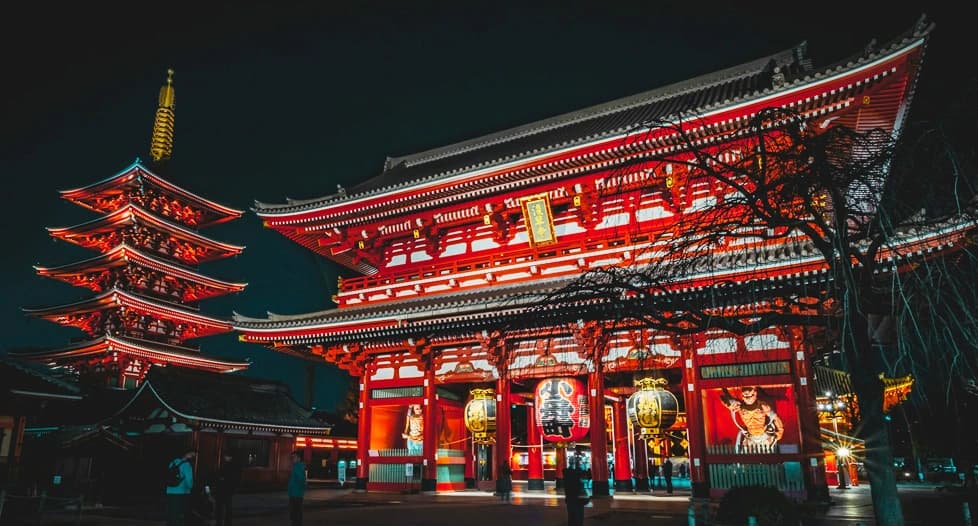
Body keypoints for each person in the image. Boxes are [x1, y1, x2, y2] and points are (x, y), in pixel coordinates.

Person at [166, 448, 196, 526]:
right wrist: (190, 488)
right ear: (187, 454)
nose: (193, 456)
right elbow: (189, 479)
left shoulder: (173, 462)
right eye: (192, 454)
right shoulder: (187, 465)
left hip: (169, 491)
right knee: (179, 515)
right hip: (181, 492)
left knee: (171, 514)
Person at [213, 452, 241, 526]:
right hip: (226, 490)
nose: (225, 457)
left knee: (222, 508)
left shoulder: (227, 466)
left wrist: (221, 478)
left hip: (223, 489)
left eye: (226, 456)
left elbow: (224, 477)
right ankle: (226, 523)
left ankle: (221, 523)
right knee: (226, 508)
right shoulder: (232, 466)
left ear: (230, 457)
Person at [288, 450, 307, 526]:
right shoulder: (298, 466)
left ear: (299, 458)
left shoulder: (297, 467)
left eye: (294, 457)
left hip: (295, 494)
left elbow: (301, 479)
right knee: (296, 513)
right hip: (296, 493)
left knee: (295, 514)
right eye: (292, 457)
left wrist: (300, 487)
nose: (292, 459)